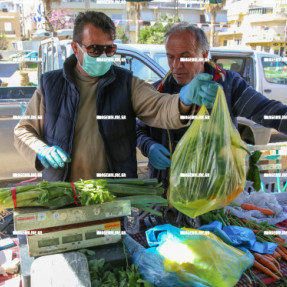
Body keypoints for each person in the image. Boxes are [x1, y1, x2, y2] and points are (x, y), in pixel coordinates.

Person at [14, 12, 220, 182]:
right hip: (63, 194)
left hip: (113, 196)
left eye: (109, 49)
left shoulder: (126, 83)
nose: (104, 56)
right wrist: (40, 149)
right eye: (95, 49)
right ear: (75, 48)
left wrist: (183, 100)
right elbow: (23, 130)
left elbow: (159, 107)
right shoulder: (51, 85)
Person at [136, 22, 287, 195]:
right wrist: (149, 146)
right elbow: (137, 129)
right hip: (166, 191)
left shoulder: (228, 84)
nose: (176, 65)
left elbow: (267, 111)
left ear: (204, 54)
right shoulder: (158, 91)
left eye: (185, 57)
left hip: (216, 192)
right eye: (170, 57)